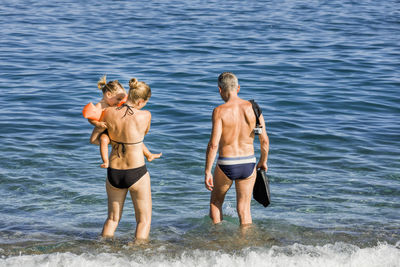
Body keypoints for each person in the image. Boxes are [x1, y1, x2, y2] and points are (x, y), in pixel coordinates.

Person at [204, 72, 269, 226]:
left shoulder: (219, 111)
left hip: (227, 163)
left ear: (220, 90)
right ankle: (245, 244)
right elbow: (264, 140)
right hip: (248, 163)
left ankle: (217, 241)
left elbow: (213, 144)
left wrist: (207, 170)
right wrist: (263, 161)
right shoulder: (254, 108)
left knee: (215, 203)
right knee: (244, 209)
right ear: (238, 88)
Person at [98, 77, 156, 243]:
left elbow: (96, 138)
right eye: (145, 101)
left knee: (112, 219)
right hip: (136, 172)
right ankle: (138, 257)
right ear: (140, 101)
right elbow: (142, 135)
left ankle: (101, 252)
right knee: (143, 221)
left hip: (114, 173)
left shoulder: (108, 113)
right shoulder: (145, 115)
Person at [86, 76, 161, 168]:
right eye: (118, 99)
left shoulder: (110, 109)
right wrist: (98, 124)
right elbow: (90, 117)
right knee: (106, 139)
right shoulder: (100, 105)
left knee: (130, 138)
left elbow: (93, 140)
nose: (119, 102)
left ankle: (148, 154)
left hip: (114, 164)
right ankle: (105, 161)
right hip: (105, 130)